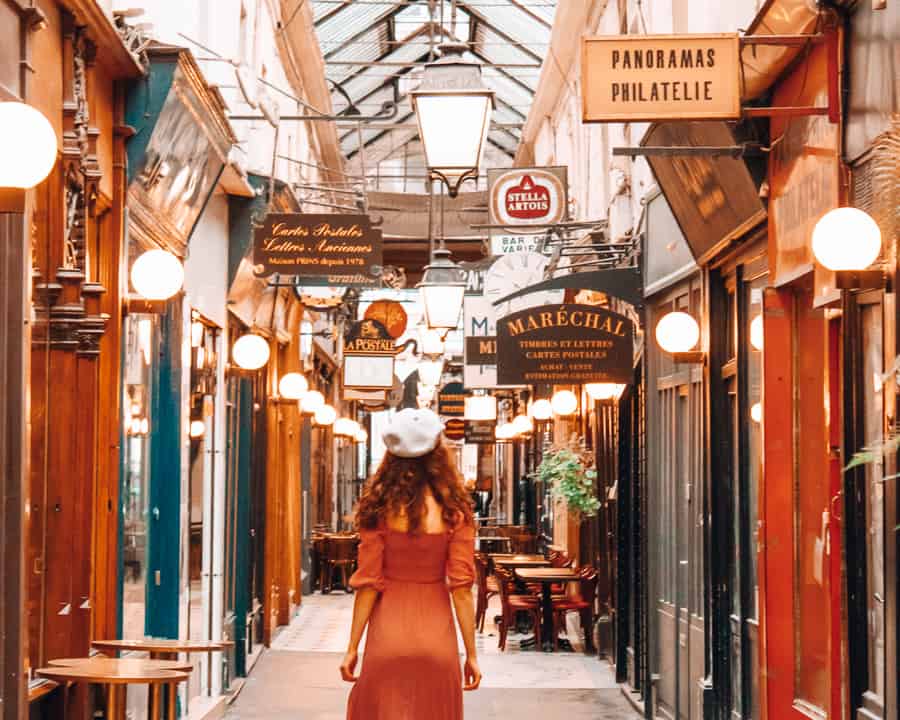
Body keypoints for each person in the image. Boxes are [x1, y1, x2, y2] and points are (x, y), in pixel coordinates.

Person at [340, 408, 482, 719]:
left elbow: (367, 584)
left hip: (387, 638)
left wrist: (352, 647)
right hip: (437, 640)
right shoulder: (455, 512)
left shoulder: (377, 510)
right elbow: (461, 589)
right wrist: (471, 654)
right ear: (438, 453)